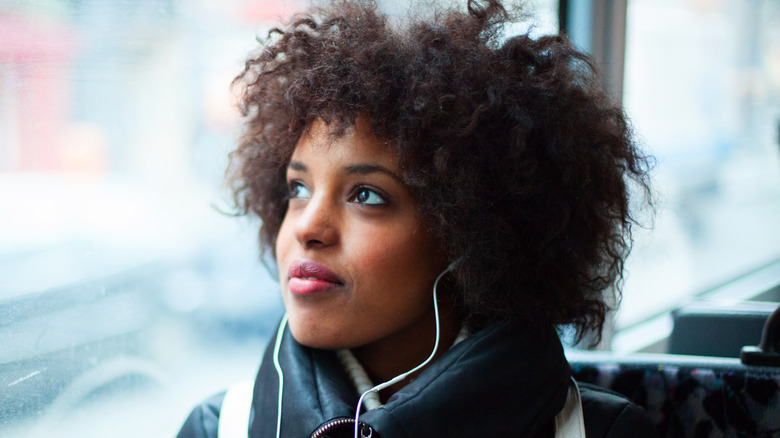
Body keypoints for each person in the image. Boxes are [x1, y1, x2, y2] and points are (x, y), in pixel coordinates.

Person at [178, 0, 657, 436]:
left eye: (365, 195)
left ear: (473, 235)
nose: (306, 227)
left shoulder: (598, 431)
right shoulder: (219, 427)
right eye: (297, 189)